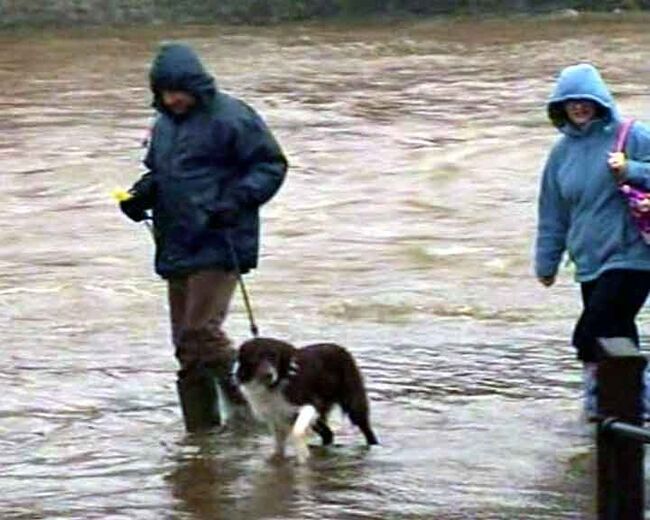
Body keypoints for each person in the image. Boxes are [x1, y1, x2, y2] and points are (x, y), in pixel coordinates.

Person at [119, 43, 287, 426]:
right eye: (166, 91)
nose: (174, 98)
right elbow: (158, 175)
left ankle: (254, 413)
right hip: (175, 241)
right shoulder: (162, 126)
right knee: (186, 346)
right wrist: (139, 195)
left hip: (221, 238)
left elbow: (271, 165)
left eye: (181, 90)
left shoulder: (232, 116)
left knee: (200, 332)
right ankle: (200, 434)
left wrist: (237, 200)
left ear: (197, 86)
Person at [535, 63, 650, 418]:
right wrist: (546, 261)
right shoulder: (560, 153)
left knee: (591, 329)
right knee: (615, 333)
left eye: (585, 100)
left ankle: (616, 398)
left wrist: (630, 169)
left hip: (633, 256)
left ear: (599, 101)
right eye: (570, 102)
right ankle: (621, 404)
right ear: (561, 107)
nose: (579, 107)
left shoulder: (632, 135)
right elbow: (552, 212)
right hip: (588, 261)